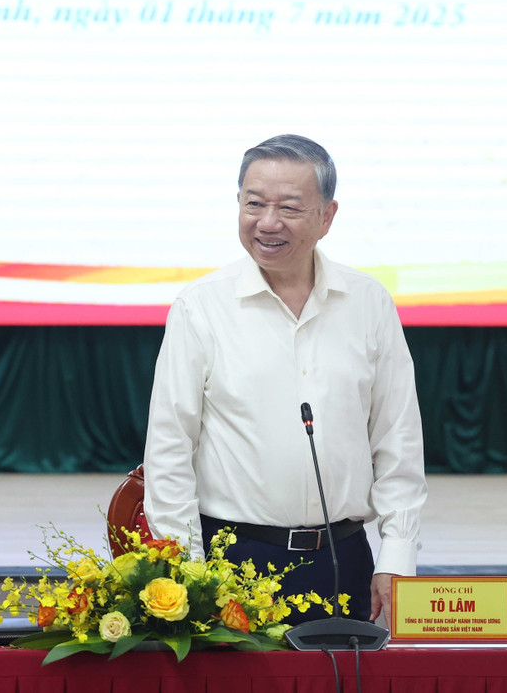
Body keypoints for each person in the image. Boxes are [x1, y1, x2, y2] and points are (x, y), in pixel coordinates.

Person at [143, 134, 427, 627]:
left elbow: (397, 439)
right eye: (254, 203)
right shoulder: (201, 306)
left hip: (342, 559)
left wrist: (397, 555)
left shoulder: (368, 303)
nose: (267, 222)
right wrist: (187, 573)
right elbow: (169, 448)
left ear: (327, 216)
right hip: (233, 563)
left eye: (290, 207)